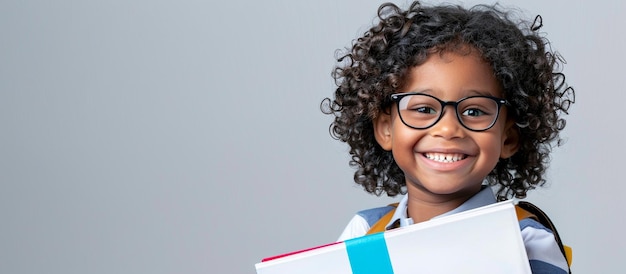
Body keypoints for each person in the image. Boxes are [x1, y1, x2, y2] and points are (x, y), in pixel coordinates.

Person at [321, 1, 574, 273]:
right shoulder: (364, 233)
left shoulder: (527, 241)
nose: (448, 129)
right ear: (386, 129)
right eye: (423, 109)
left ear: (508, 138)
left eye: (475, 110)